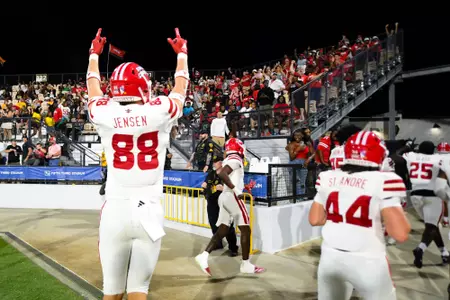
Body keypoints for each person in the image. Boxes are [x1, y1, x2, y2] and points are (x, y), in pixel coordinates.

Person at [86, 28, 189, 300]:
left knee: (111, 292)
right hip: (149, 212)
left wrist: (93, 56)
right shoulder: (159, 110)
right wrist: (182, 55)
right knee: (139, 291)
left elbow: (93, 88)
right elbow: (180, 87)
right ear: (143, 87)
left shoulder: (104, 112)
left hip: (115, 211)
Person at [309, 130, 411, 300]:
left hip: (330, 257)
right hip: (368, 260)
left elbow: (315, 219)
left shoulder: (327, 177)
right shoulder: (384, 180)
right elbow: (400, 233)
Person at [195, 138, 265, 275]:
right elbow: (222, 173)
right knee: (246, 229)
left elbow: (228, 176)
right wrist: (237, 190)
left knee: (222, 229)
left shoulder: (229, 159)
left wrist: (242, 187)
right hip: (232, 196)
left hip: (225, 196)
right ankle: (246, 264)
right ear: (239, 147)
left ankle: (203, 256)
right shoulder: (235, 158)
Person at [403, 141, 450, 268]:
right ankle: (421, 248)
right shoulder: (439, 158)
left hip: (415, 195)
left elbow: (399, 154)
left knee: (432, 226)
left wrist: (408, 146)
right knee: (432, 226)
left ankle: (444, 252)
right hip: (432, 195)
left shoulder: (411, 155)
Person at [201, 155, 238, 256]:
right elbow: (205, 185)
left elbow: (235, 188)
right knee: (213, 224)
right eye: (213, 162)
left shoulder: (228, 174)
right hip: (211, 202)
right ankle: (218, 243)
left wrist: (225, 189)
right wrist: (204, 187)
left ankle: (233, 248)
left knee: (228, 227)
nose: (213, 164)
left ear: (221, 163)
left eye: (215, 162)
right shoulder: (211, 174)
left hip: (224, 203)